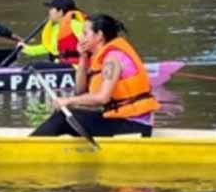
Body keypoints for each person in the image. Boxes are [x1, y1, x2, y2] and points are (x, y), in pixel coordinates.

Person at [31, 14, 159, 138]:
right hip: (119, 119)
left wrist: (68, 100)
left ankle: (29, 145)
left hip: (133, 126)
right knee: (66, 113)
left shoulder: (112, 59)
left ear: (99, 35)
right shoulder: (97, 58)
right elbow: (80, 91)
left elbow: (102, 98)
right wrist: (82, 57)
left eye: (85, 33)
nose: (81, 37)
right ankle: (37, 143)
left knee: (63, 117)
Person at [19, 0, 86, 69]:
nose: (49, 11)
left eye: (51, 9)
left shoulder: (76, 25)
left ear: (60, 12)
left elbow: (89, 44)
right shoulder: (55, 29)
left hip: (76, 67)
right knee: (30, 66)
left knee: (33, 66)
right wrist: (26, 48)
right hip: (61, 64)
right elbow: (48, 48)